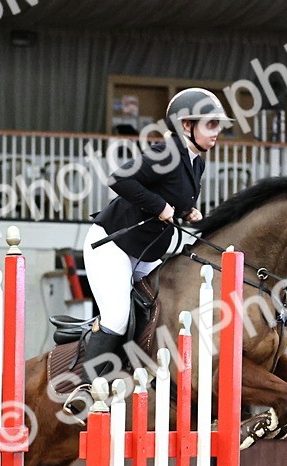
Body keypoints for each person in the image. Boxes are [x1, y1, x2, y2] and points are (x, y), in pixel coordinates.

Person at [79, 87, 232, 369]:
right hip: (113, 247)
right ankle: (88, 386)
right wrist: (159, 205)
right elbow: (119, 179)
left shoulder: (197, 161)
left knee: (165, 311)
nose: (216, 133)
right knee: (116, 316)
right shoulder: (167, 152)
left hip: (146, 254)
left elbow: (172, 195)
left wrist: (187, 211)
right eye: (210, 125)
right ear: (186, 125)